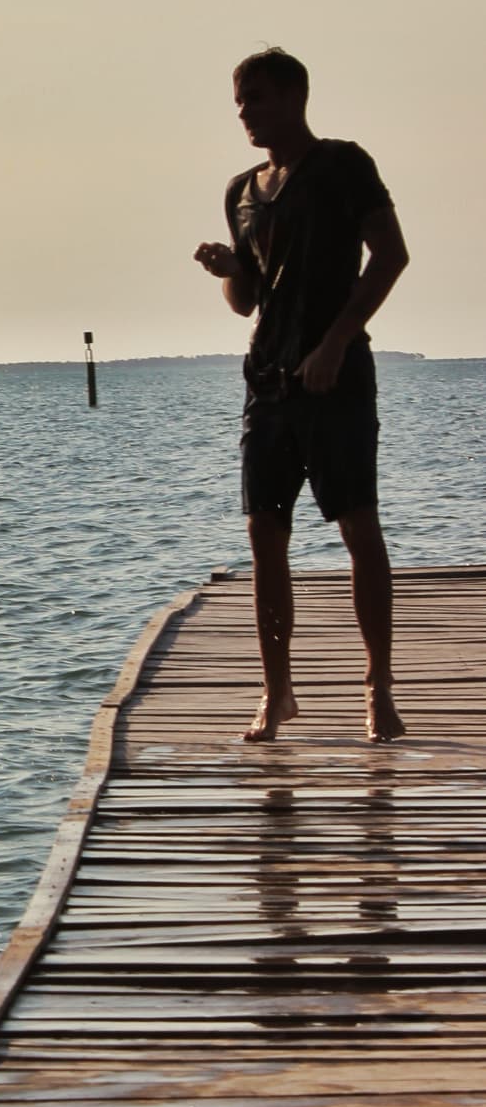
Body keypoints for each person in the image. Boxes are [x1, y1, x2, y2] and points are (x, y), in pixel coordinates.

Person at [194, 47, 410, 743]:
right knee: (264, 536)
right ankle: (277, 691)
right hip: (268, 381)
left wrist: (337, 339)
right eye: (238, 101)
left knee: (357, 528)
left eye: (255, 98)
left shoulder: (341, 165)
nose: (244, 112)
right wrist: (230, 270)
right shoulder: (241, 191)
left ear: (293, 97)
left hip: (336, 376)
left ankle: (377, 689)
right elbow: (246, 301)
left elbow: (391, 254)